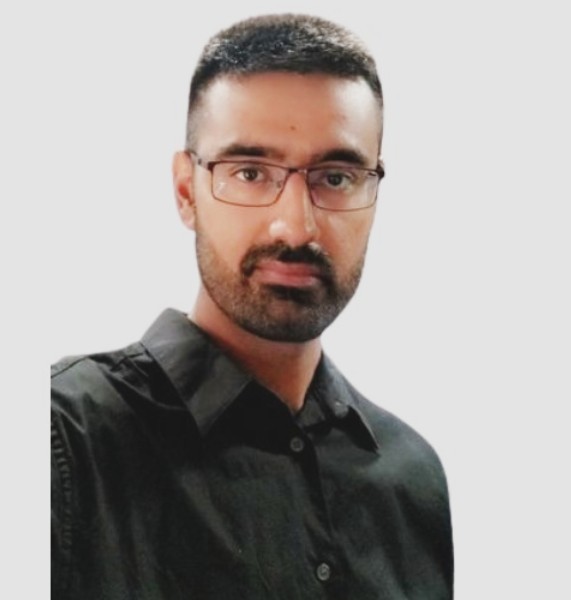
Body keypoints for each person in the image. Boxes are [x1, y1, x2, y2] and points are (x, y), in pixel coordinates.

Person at [51, 13, 453, 599]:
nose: (296, 225)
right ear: (186, 192)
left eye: (336, 177)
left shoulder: (411, 479)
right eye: (249, 172)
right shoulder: (62, 439)